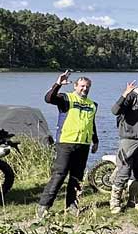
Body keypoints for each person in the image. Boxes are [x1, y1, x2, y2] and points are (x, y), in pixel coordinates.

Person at [37, 70, 99, 217]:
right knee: (59, 174)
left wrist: (95, 140)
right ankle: (44, 206)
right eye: (82, 86)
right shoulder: (66, 99)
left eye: (87, 87)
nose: (85, 89)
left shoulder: (92, 104)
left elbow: (92, 123)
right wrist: (58, 84)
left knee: (77, 177)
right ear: (75, 86)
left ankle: (72, 206)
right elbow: (48, 98)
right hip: (66, 142)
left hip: (83, 145)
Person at [109, 76, 138, 214]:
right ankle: (115, 202)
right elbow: (115, 111)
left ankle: (133, 200)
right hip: (128, 140)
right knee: (124, 171)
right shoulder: (131, 97)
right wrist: (125, 93)